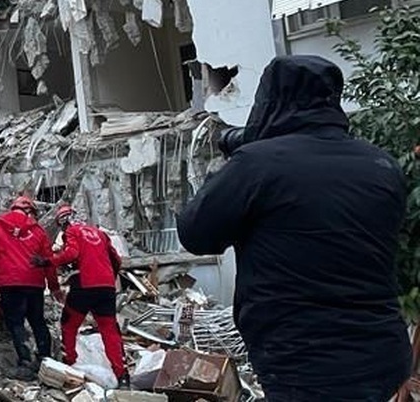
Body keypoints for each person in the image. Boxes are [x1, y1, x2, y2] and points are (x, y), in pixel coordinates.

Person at [177, 55, 410, 401]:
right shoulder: (381, 165)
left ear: (269, 99)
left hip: (303, 360)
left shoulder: (257, 165)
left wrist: (229, 171)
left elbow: (196, 233)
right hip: (383, 354)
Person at [0, 196, 61, 376]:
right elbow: (48, 261)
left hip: (9, 283)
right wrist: (54, 286)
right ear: (29, 211)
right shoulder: (38, 231)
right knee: (38, 321)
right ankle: (45, 360)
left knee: (16, 323)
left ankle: (25, 362)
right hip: (34, 284)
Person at [49, 205, 126, 384]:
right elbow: (117, 260)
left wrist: (50, 261)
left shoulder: (71, 232)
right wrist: (109, 279)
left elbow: (71, 254)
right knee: (110, 330)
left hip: (84, 286)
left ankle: (69, 363)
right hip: (106, 288)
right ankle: (122, 375)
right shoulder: (99, 233)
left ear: (62, 223)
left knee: (69, 324)